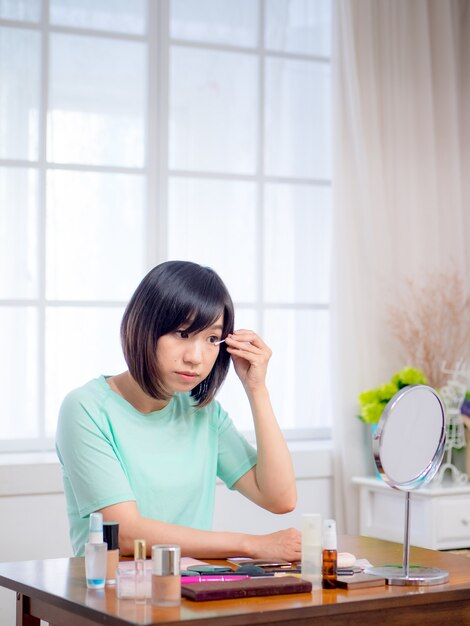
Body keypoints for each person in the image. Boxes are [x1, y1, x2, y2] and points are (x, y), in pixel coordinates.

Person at [56, 260, 300, 560]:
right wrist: (251, 544)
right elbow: (125, 532)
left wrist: (257, 389)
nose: (196, 357)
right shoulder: (85, 408)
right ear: (143, 328)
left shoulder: (202, 411)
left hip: (189, 592)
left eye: (211, 338)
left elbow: (280, 498)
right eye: (182, 334)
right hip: (112, 594)